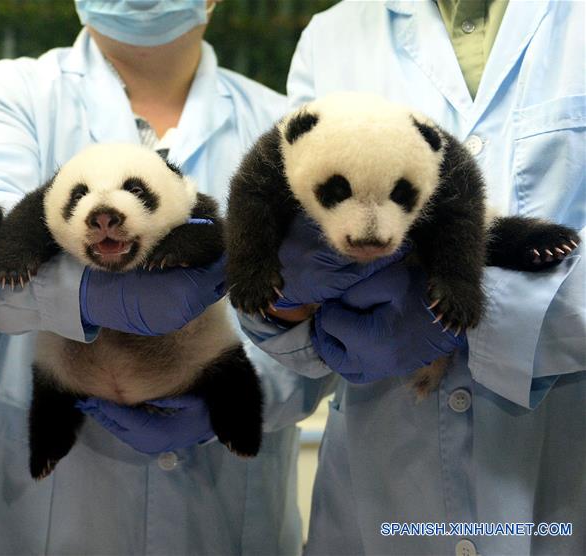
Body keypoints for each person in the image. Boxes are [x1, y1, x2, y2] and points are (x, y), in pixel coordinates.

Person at [0, 1, 335, 554]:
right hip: (43, 506)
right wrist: (95, 295)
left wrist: (235, 397)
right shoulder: (13, 94)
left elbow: (313, 328)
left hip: (220, 514)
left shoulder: (284, 125)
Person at [239, 1, 585, 554]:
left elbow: (464, 203)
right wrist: (278, 304)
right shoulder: (332, 35)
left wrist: (480, 305)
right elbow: (293, 339)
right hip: (381, 488)